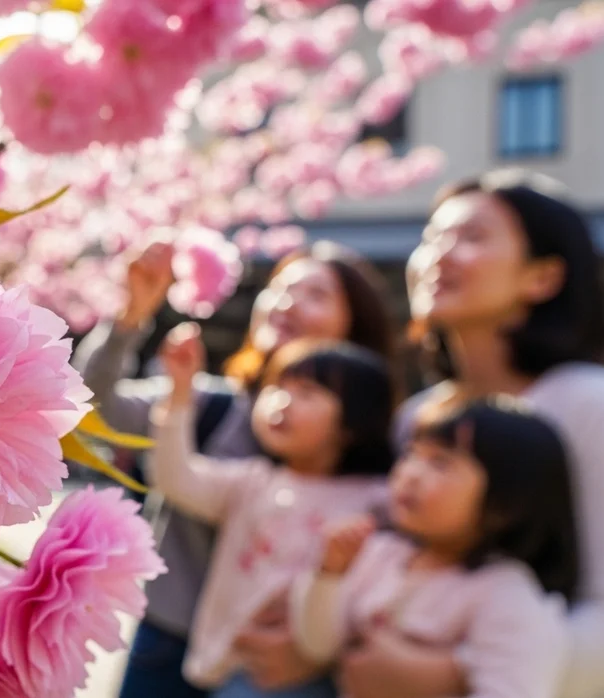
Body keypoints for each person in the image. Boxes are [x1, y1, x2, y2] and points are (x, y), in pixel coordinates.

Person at [341, 169, 604, 698]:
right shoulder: (419, 416)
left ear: (541, 277)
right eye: (432, 238)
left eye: (472, 238)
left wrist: (456, 676)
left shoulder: (597, 405)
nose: (438, 256)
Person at [72, 240, 397, 698]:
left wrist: (320, 642)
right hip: (170, 643)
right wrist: (130, 318)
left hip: (281, 667)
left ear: (355, 326)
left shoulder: (380, 456)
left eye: (316, 295)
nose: (288, 303)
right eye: (281, 288)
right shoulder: (202, 401)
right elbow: (90, 409)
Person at [148, 334, 397, 697]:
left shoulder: (377, 501)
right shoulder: (252, 482)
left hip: (303, 680)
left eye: (307, 393)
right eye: (278, 387)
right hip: (225, 670)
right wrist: (180, 393)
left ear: (354, 421)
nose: (282, 402)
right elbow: (174, 479)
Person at [292, 398, 578, 698]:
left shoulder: (507, 596)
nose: (411, 474)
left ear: (506, 503)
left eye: (440, 462)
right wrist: (329, 573)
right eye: (411, 455)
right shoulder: (380, 554)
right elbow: (318, 646)